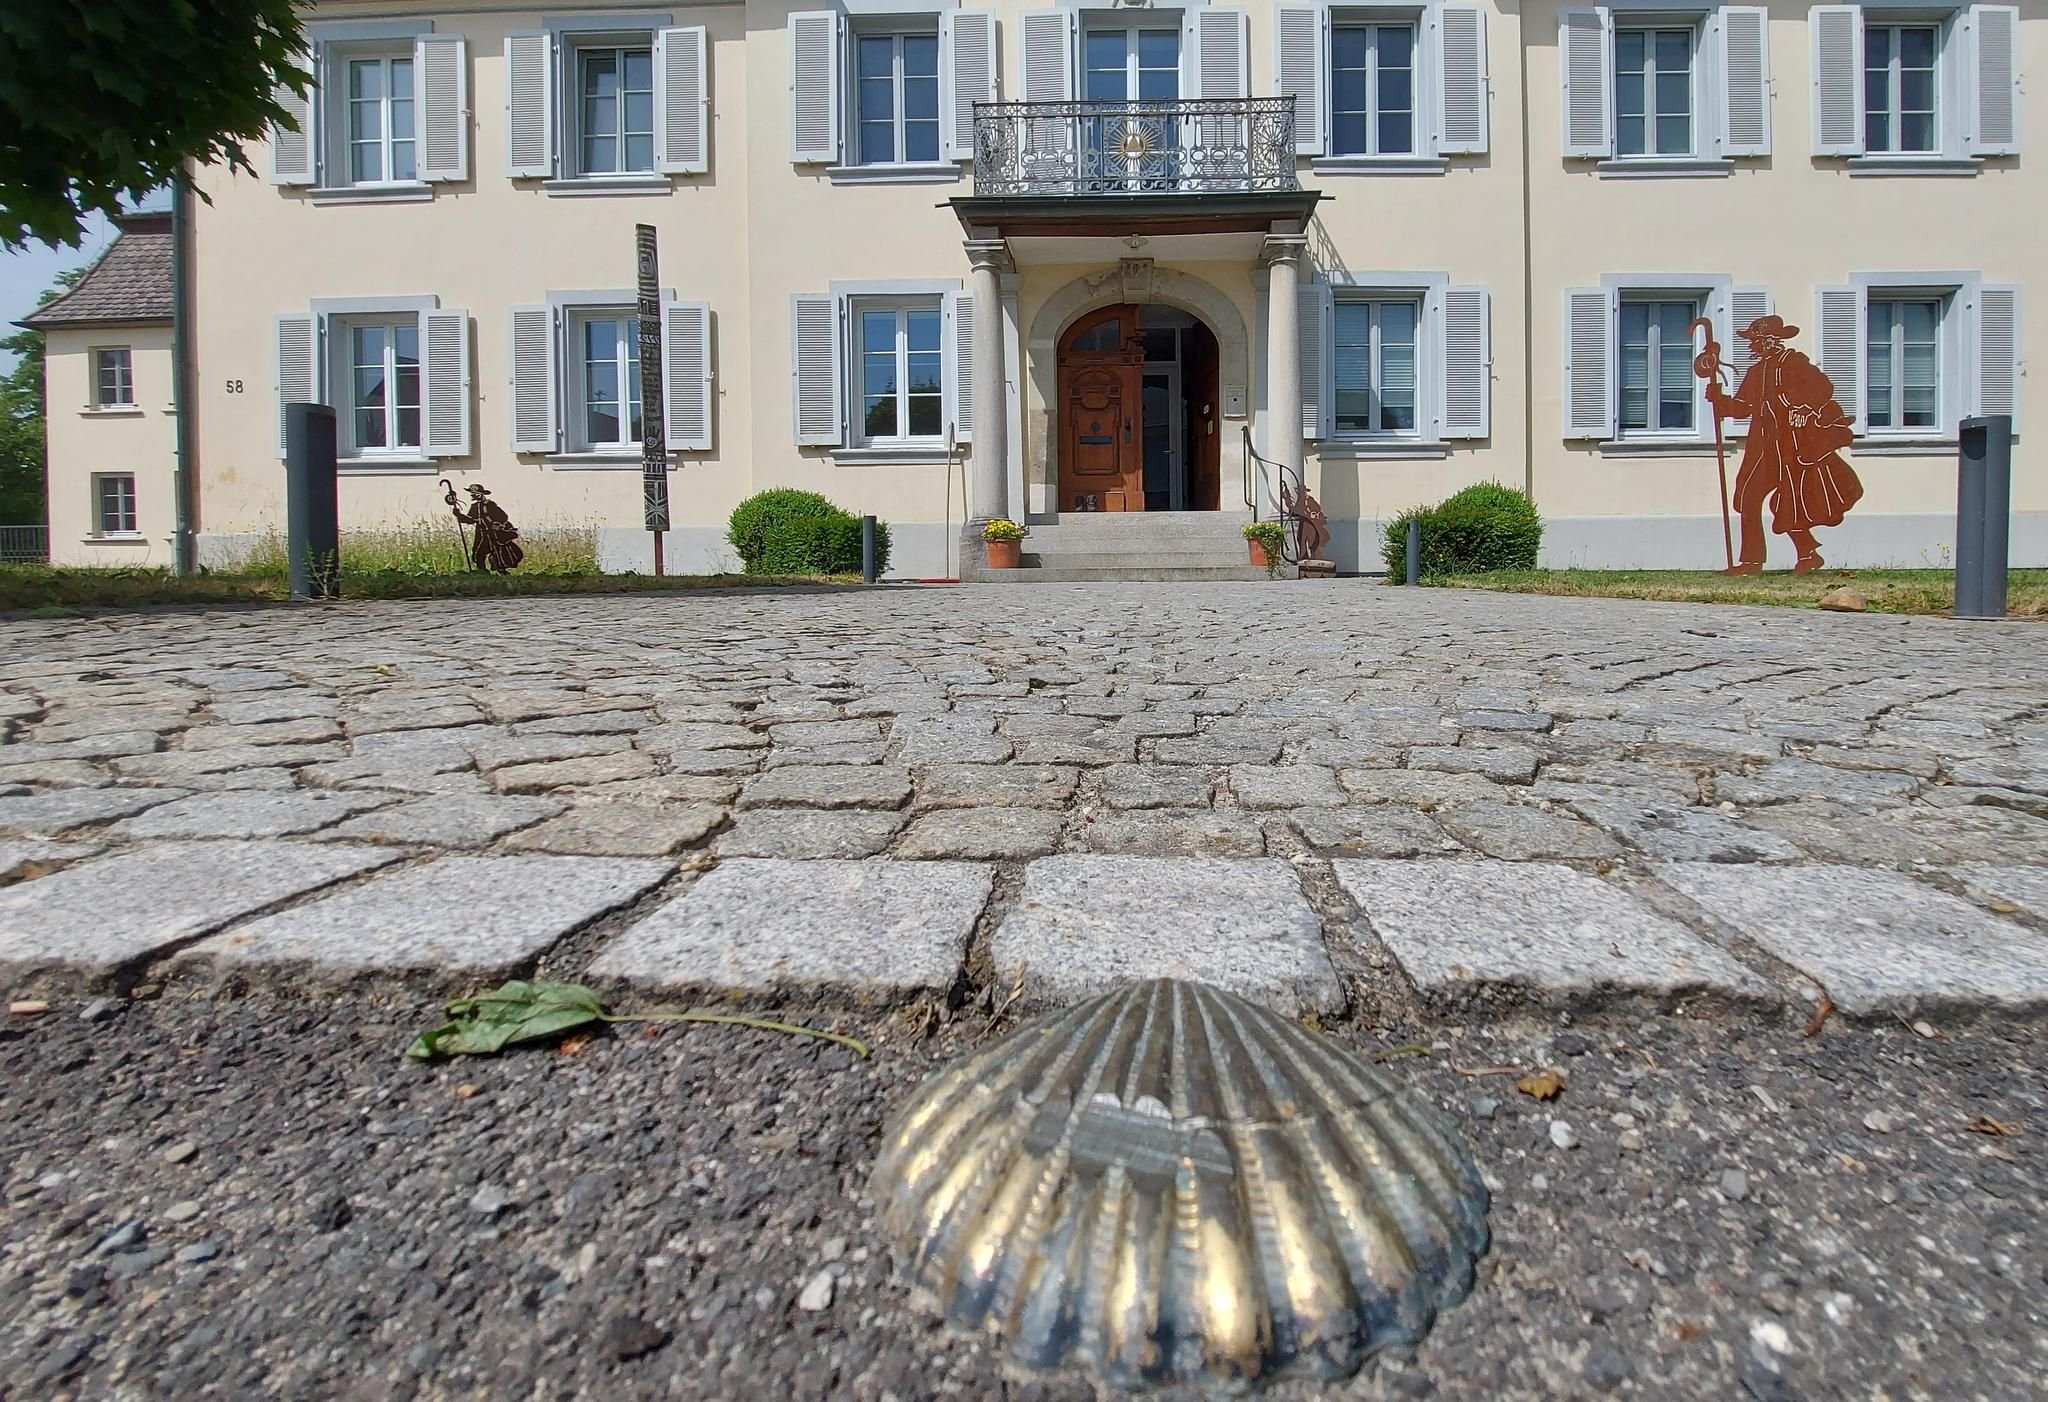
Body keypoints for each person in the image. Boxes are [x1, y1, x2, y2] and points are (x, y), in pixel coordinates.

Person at [1707, 315, 1863, 575]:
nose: (1752, 347)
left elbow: (1823, 388)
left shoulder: (1795, 363)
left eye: (1755, 341)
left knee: (1793, 501)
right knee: (1748, 497)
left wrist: (1804, 407)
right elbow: (1744, 407)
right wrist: (1719, 399)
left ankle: (1807, 555)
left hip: (1794, 446)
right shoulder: (1756, 372)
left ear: (1770, 341)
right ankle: (1751, 562)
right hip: (1764, 448)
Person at [445, 483, 525, 573]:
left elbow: (503, 517)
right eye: (472, 493)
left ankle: (501, 571)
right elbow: (471, 519)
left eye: (475, 493)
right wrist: (459, 515)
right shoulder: (474, 507)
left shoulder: (490, 505)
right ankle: (482, 571)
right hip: (481, 533)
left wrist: (497, 524)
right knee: (479, 553)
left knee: (498, 552)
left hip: (494, 534)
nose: (473, 495)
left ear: (481, 494)